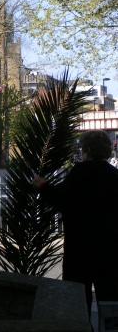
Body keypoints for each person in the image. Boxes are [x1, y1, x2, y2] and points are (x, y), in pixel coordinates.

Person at [33, 130, 118, 320]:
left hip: (80, 248)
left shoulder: (80, 172)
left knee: (78, 299)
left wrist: (42, 186)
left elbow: (62, 199)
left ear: (85, 149)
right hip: (109, 248)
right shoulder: (113, 175)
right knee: (109, 297)